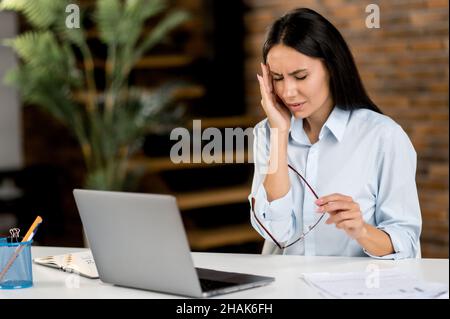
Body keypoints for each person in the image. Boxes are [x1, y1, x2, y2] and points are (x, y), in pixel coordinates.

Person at [249, 8, 421, 259]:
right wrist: (279, 135)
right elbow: (276, 232)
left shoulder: (384, 137)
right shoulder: (268, 133)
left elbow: (406, 241)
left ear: (331, 67)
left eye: (300, 76)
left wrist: (362, 230)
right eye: (277, 78)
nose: (288, 92)